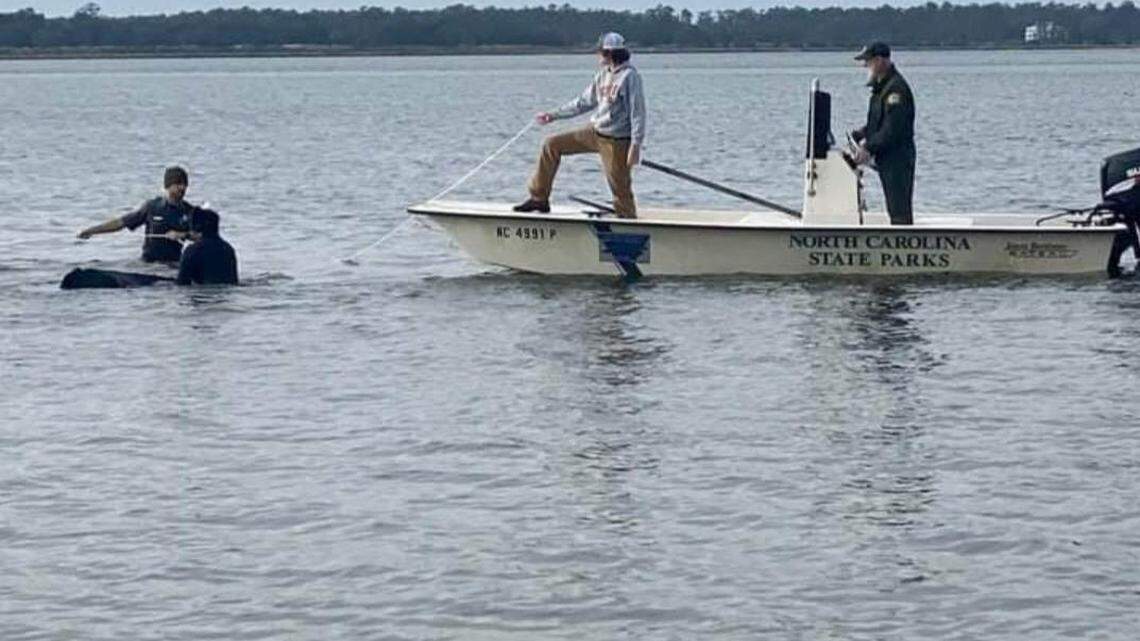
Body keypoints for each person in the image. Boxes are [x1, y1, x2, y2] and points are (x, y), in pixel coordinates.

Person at [514, 32, 647, 219]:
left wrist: (635, 145)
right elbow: (583, 102)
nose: (597, 55)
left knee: (619, 186)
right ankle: (539, 198)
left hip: (617, 141)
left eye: (600, 52)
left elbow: (638, 112)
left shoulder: (629, 77)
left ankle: (627, 218)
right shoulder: (603, 75)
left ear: (609, 53)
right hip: (594, 132)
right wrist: (552, 115)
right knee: (551, 145)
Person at [850, 42, 916, 226]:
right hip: (886, 157)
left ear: (879, 61)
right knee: (893, 205)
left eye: (868, 62)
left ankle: (904, 241)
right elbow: (880, 120)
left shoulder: (896, 90)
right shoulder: (881, 89)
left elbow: (893, 128)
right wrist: (861, 133)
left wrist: (868, 147)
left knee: (899, 207)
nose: (865, 66)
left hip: (897, 159)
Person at [77, 166, 197, 263]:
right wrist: (91, 231)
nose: (182, 187)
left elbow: (205, 237)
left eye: (185, 184)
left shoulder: (190, 211)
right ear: (168, 186)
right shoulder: (152, 207)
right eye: (178, 184)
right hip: (148, 264)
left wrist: (183, 234)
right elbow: (120, 223)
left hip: (173, 264)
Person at [177, 208, 239, 286]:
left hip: (203, 296)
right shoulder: (228, 249)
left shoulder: (192, 251)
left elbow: (182, 283)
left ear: (197, 228)